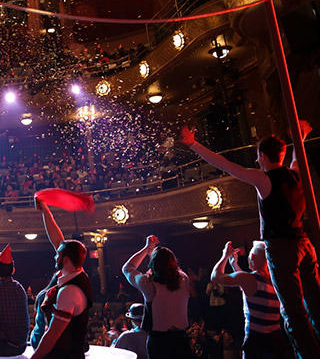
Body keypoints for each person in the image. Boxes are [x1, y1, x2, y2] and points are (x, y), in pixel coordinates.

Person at [180, 123, 320, 358]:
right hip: (305, 245)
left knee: (294, 313)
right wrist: (301, 137)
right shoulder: (296, 173)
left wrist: (194, 144)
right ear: (282, 154)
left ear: (262, 156)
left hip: (282, 247)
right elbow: (298, 157)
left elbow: (226, 165)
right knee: (315, 301)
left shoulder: (265, 179)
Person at [30, 200, 93, 359]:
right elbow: (58, 240)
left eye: (58, 254)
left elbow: (52, 335)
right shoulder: (75, 272)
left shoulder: (70, 292)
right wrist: (45, 210)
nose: (54, 255)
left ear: (65, 259)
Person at [211, 241, 289, 359]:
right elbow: (249, 289)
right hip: (276, 341)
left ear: (251, 257)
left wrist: (225, 256)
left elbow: (215, 277)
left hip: (256, 341)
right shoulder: (274, 282)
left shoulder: (249, 279)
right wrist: (234, 265)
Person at [122, 235, 191, 359]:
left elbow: (127, 268)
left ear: (152, 264)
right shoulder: (184, 279)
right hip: (181, 339)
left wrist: (147, 248)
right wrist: (152, 253)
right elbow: (166, 270)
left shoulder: (148, 284)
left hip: (160, 342)